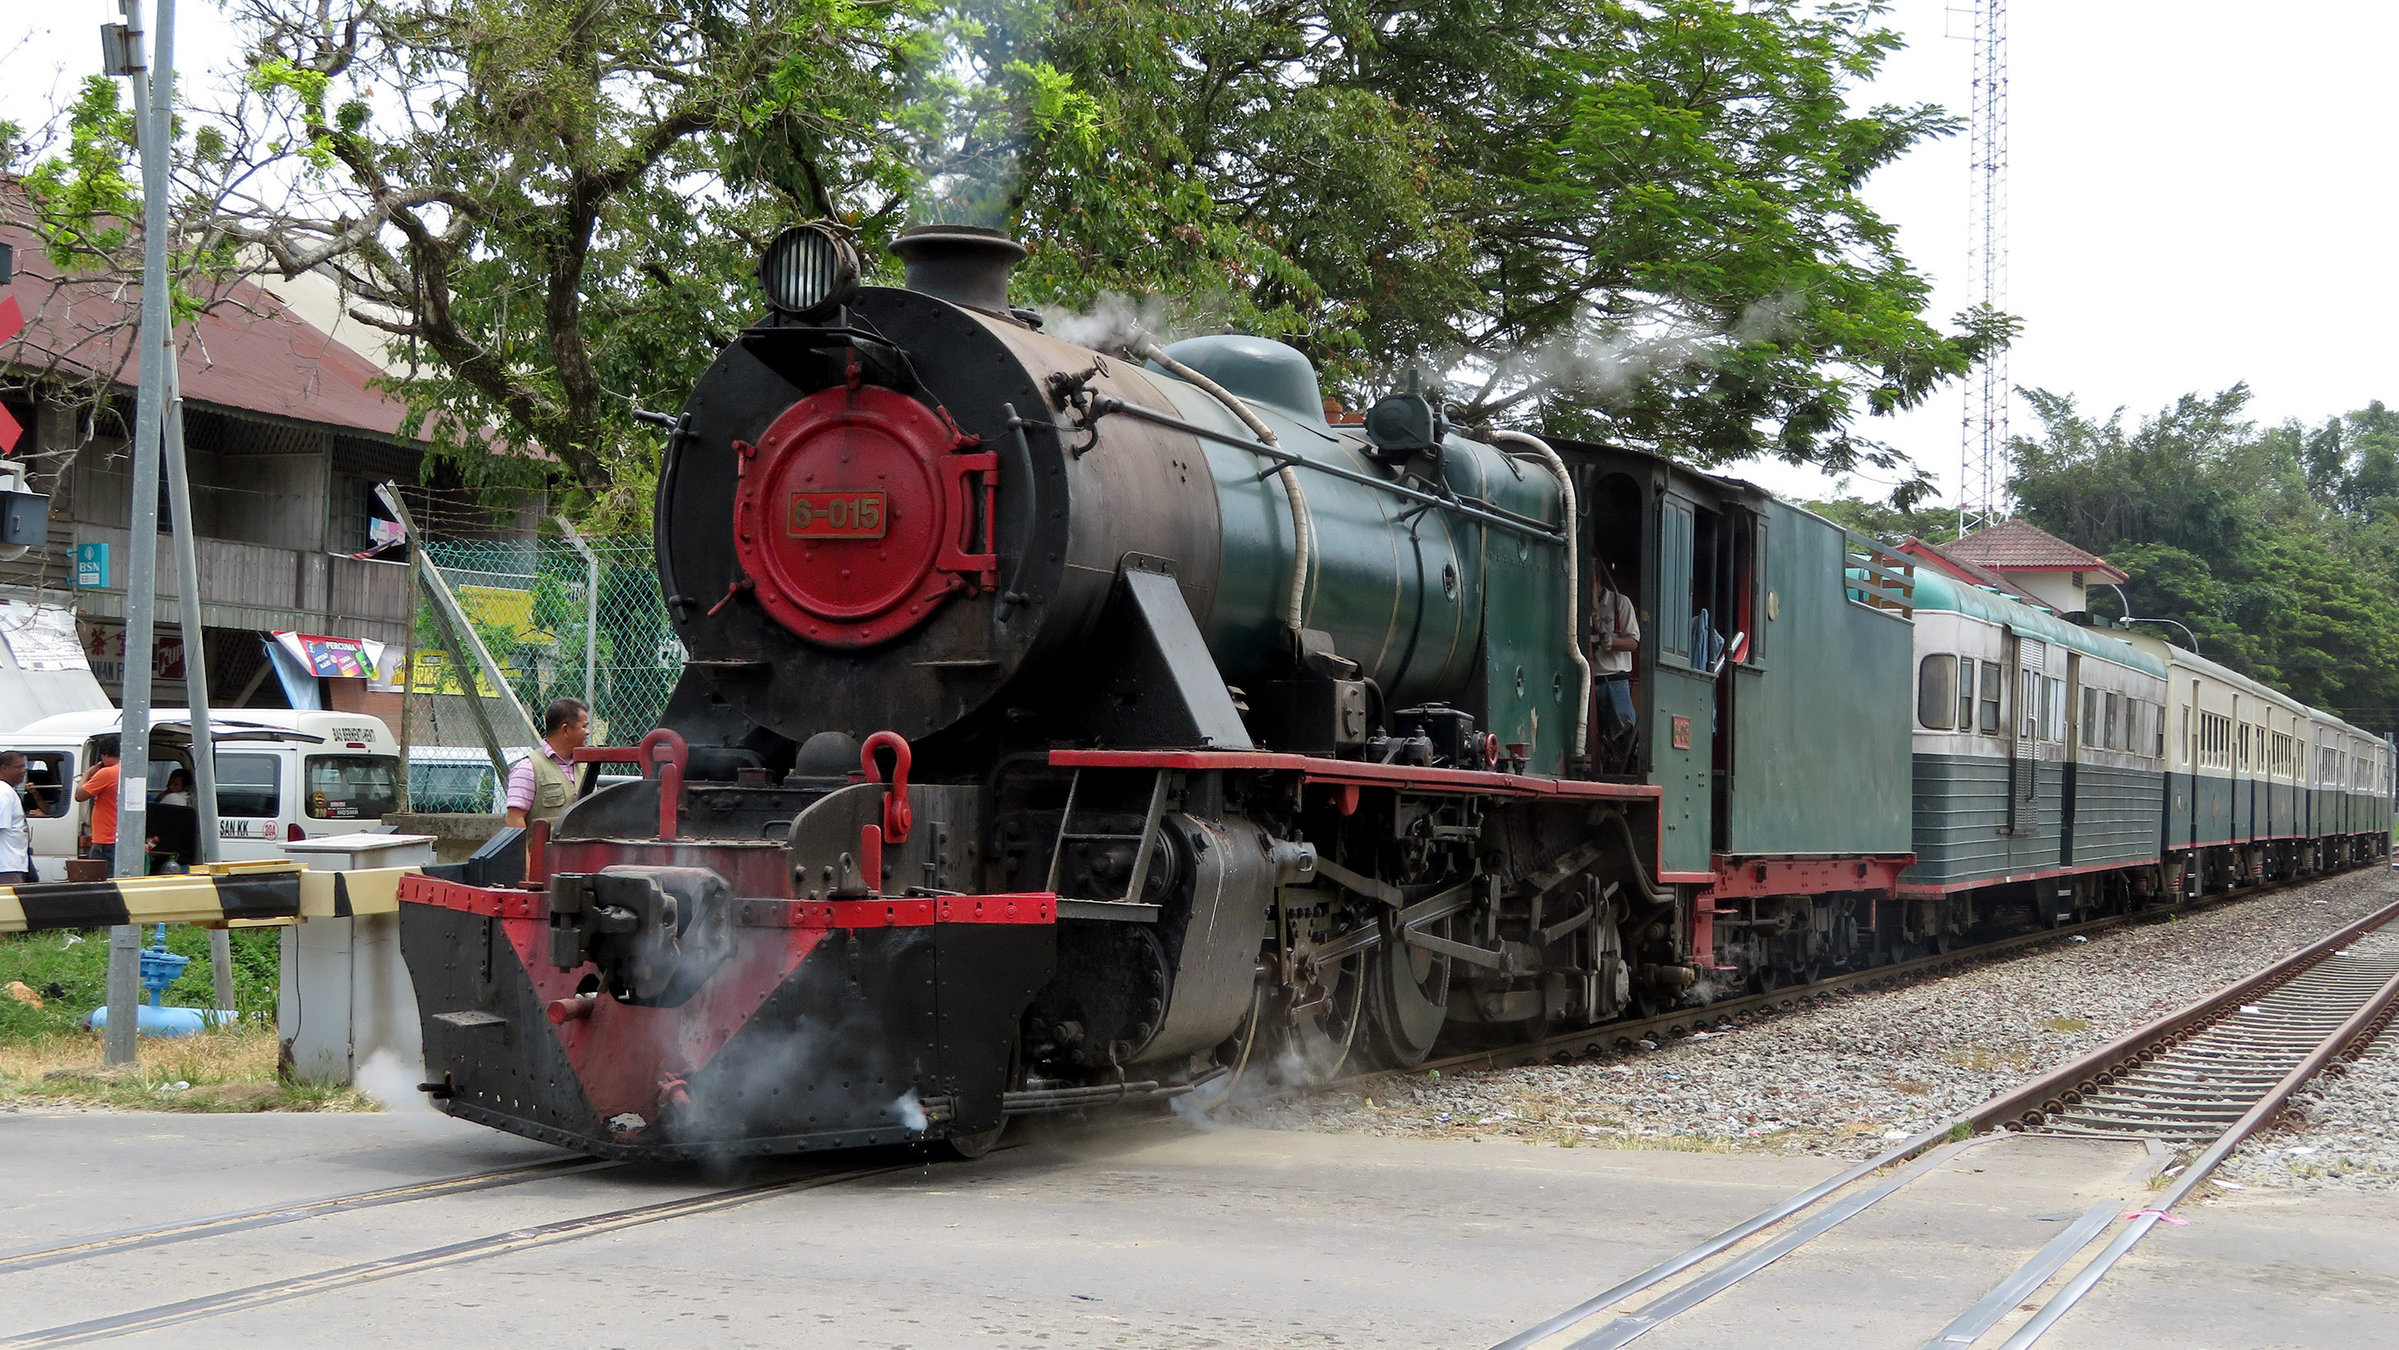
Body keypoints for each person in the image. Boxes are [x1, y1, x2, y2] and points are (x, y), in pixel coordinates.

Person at [504, 697, 591, 831]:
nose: (588, 732)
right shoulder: (528, 769)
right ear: (566, 729)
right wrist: (526, 853)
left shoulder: (585, 767)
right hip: (541, 852)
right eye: (584, 726)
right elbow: (514, 819)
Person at [1592, 562, 1641, 768]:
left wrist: (1611, 641)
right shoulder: (1578, 605)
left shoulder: (1621, 603)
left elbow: (1633, 642)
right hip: (1590, 682)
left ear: (1598, 580)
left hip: (1615, 681)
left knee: (1624, 737)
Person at [75, 735, 122, 871]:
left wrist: (86, 775)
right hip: (119, 837)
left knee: (102, 881)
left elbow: (80, 795)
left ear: (105, 755)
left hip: (105, 840)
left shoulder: (107, 773)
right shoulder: (127, 771)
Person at [0, 751, 29, 885]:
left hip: (11, 864)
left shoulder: (7, 790)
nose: (23, 771)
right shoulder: (3, 792)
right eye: (19, 767)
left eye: (24, 767)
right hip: (6, 866)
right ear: (4, 768)